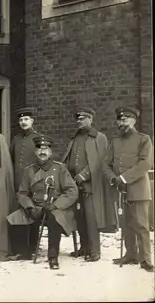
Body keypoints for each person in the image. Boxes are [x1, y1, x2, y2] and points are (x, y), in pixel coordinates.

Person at [7, 136, 78, 270]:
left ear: (50, 152)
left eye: (45, 149)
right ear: (35, 152)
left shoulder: (60, 169)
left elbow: (72, 191)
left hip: (56, 207)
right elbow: (22, 193)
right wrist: (29, 206)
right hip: (36, 206)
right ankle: (24, 251)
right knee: (16, 217)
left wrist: (56, 205)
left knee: (54, 219)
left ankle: (52, 256)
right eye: (39, 148)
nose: (42, 152)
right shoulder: (29, 170)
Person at [62, 107, 117, 262]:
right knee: (79, 217)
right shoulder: (75, 138)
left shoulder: (99, 137)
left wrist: (83, 175)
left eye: (83, 118)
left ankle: (94, 250)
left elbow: (99, 161)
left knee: (91, 218)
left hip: (91, 185)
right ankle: (83, 247)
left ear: (91, 119)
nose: (79, 121)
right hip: (74, 184)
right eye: (78, 119)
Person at [104, 107, 154, 272]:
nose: (122, 123)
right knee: (126, 224)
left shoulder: (143, 139)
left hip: (138, 190)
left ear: (134, 121)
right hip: (121, 190)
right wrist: (113, 178)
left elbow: (145, 164)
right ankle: (131, 254)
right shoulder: (115, 141)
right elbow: (106, 163)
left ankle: (146, 259)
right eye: (120, 120)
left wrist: (124, 178)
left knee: (141, 225)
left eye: (125, 119)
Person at [9, 107, 42, 260]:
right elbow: (11, 160)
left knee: (32, 212)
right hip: (17, 181)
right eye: (21, 120)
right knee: (19, 213)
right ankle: (20, 247)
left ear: (32, 121)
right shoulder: (16, 139)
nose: (23, 122)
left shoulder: (38, 138)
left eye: (26, 119)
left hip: (33, 181)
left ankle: (33, 245)